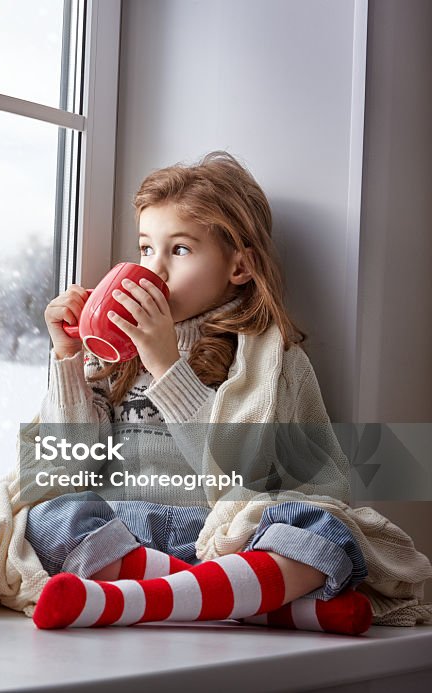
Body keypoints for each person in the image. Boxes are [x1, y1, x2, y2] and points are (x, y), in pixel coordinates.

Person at [26, 151, 376, 634]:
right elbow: (66, 466)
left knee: (323, 530)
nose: (156, 269)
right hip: (122, 532)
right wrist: (68, 359)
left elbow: (245, 471)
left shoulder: (268, 361)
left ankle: (139, 599)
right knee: (50, 517)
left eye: (181, 250)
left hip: (219, 535)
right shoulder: (112, 355)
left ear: (239, 267)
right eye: (147, 248)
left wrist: (167, 364)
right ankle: (263, 604)